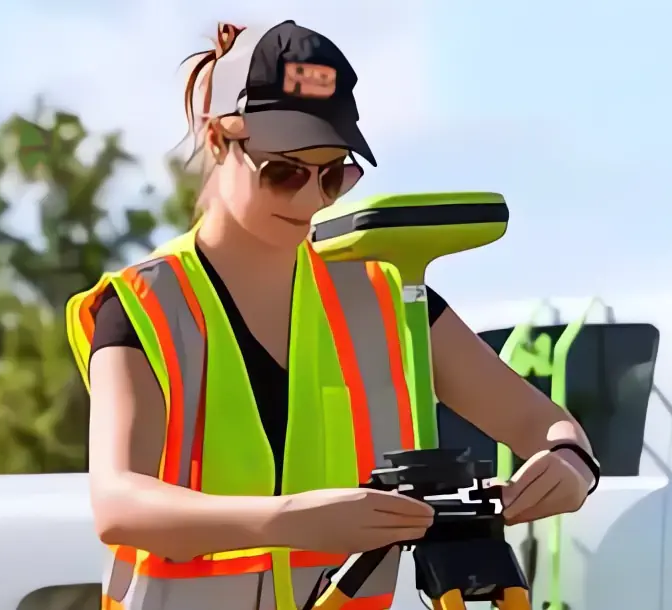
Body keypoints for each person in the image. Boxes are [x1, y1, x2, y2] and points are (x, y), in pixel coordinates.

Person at [66, 20, 600, 610]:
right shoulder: (144, 306)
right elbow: (118, 504)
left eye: (334, 173)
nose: (311, 199)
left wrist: (571, 462)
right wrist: (289, 520)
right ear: (218, 141)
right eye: (284, 172)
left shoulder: (386, 294)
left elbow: (543, 424)